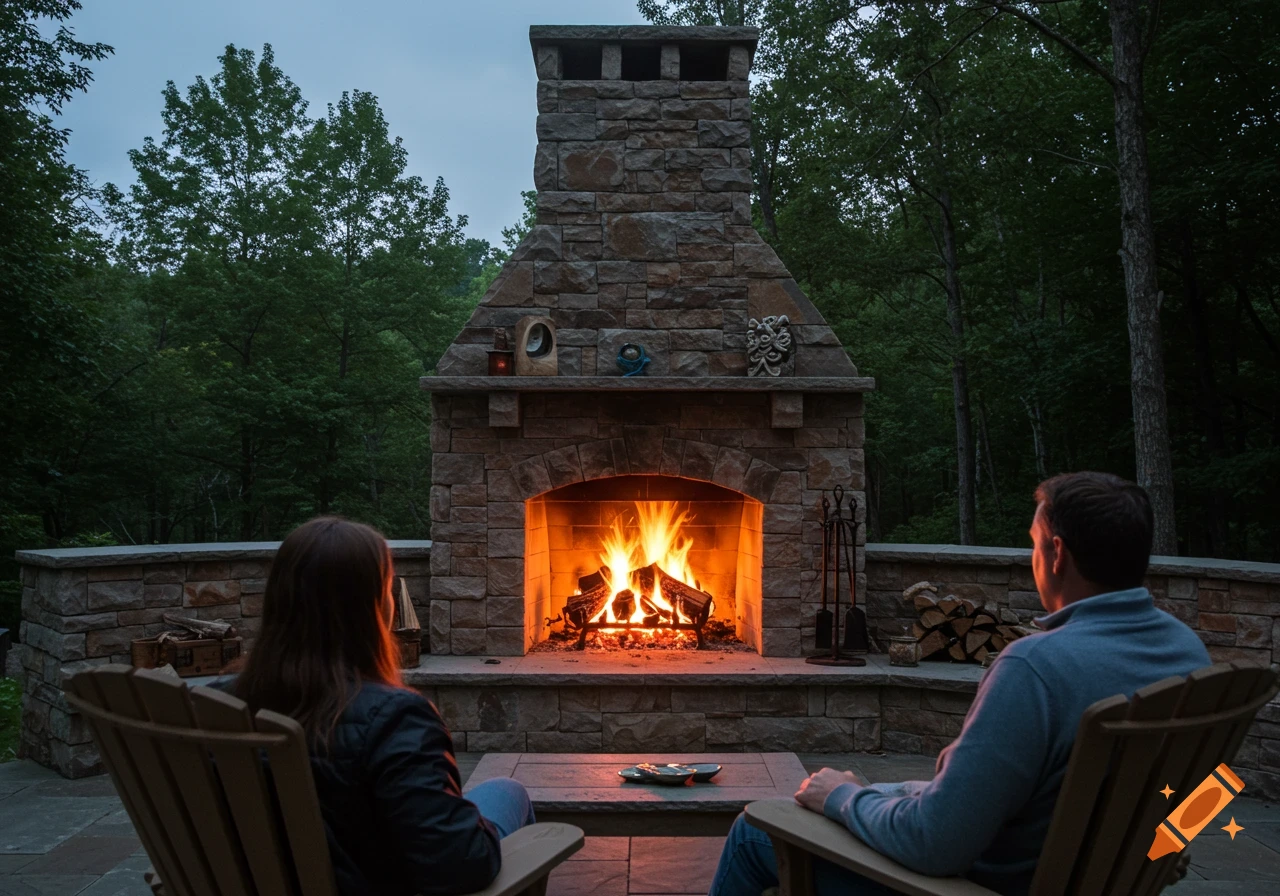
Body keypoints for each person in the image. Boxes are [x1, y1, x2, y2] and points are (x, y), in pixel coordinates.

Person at [709, 472, 1211, 896]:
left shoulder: (1035, 667)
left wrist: (840, 798)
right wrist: (1160, 848)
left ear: (1057, 554)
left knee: (754, 831)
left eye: (1033, 543)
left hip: (978, 882)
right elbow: (1197, 800)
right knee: (874, 794)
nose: (1032, 558)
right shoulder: (1187, 652)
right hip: (1092, 872)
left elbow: (934, 843)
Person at [228, 516, 532, 896]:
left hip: (275, 875)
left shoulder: (219, 704)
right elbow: (462, 865)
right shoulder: (394, 718)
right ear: (370, 609)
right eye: (388, 589)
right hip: (372, 880)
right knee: (509, 793)